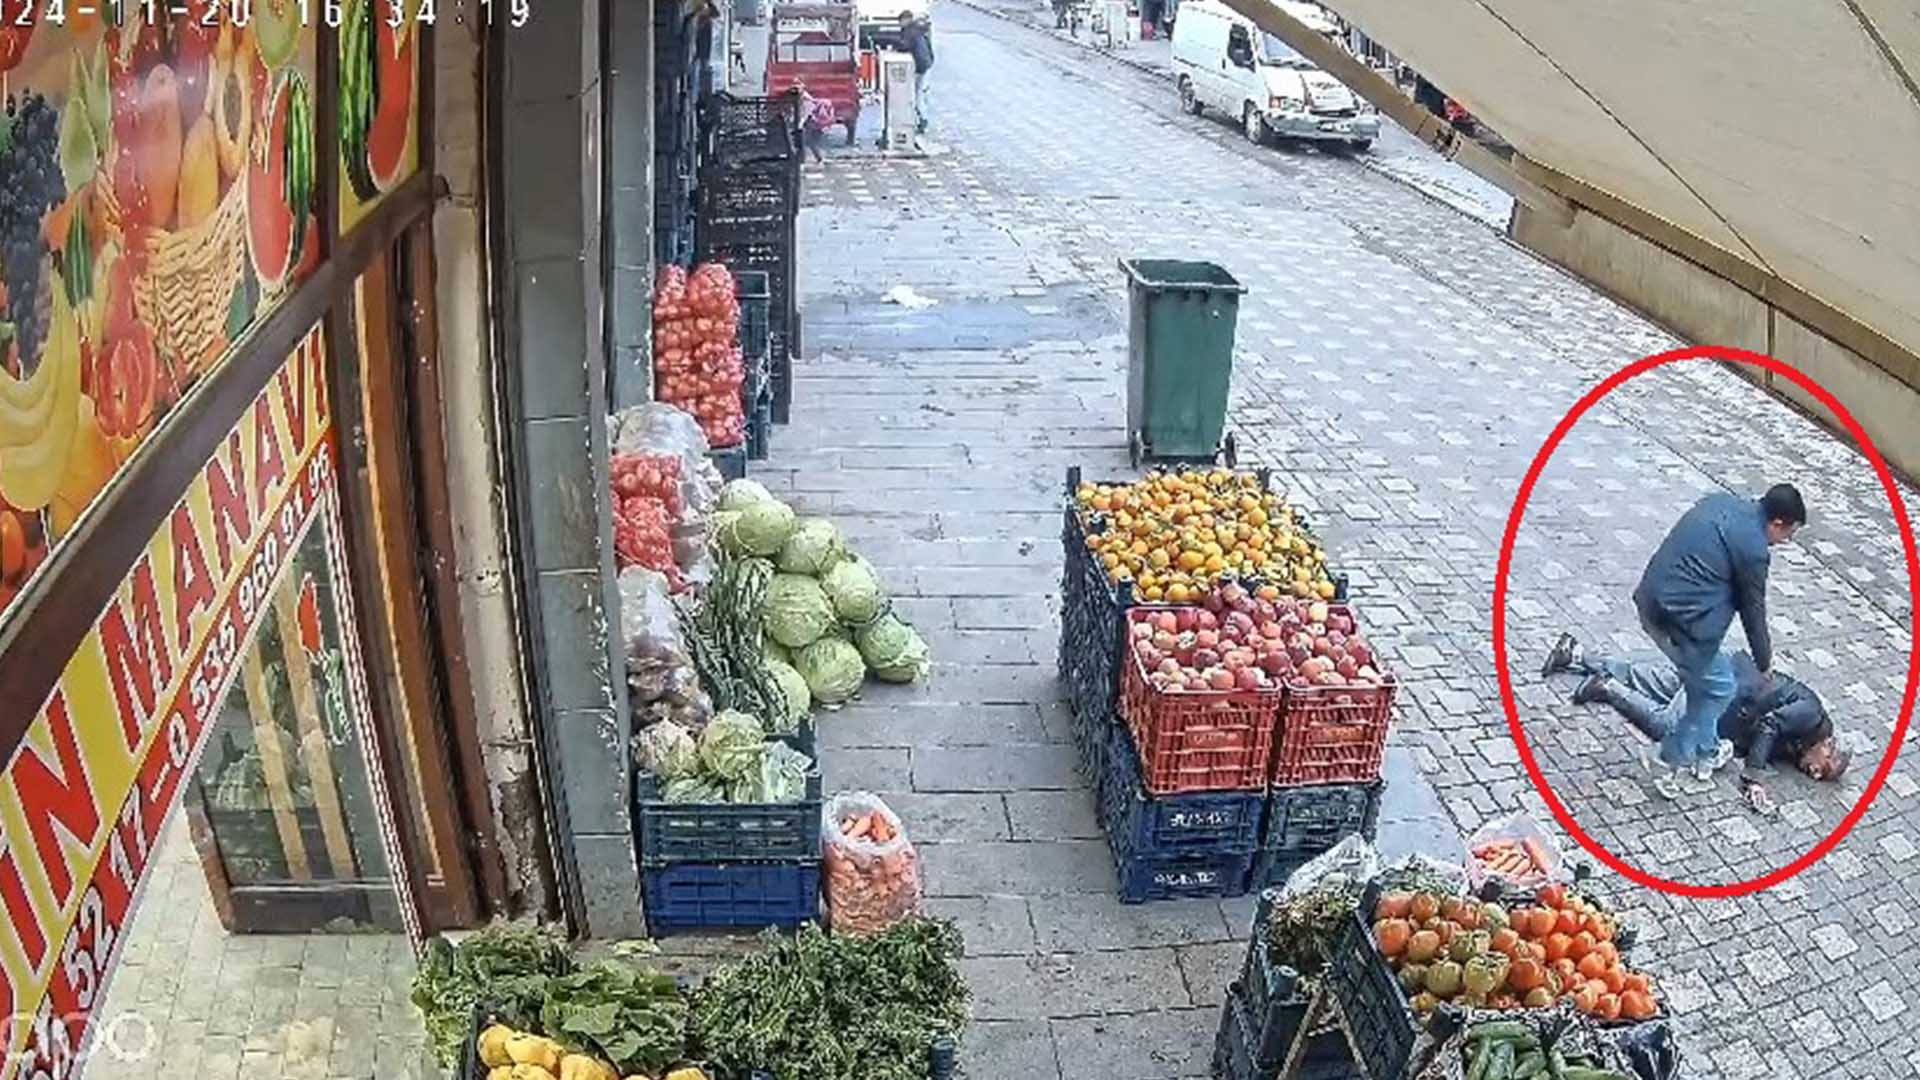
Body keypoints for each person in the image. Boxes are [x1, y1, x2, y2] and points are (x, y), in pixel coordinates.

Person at [1543, 634, 1851, 815]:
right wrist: (1753, 778)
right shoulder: (1812, 714)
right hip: (1725, 685)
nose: (1813, 773)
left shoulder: (1800, 744)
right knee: (1671, 730)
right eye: (1822, 768)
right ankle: (1605, 687)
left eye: (1818, 777)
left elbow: (1759, 735)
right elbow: (1769, 725)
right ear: (1827, 746)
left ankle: (1575, 653)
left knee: (1647, 679)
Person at [1631, 484, 1806, 798]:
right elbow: (1754, 610)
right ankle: (1666, 758)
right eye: (1788, 535)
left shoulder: (1720, 501)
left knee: (1706, 684)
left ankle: (1708, 751)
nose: (1785, 542)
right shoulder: (1754, 550)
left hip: (1650, 598)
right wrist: (1764, 662)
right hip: (1682, 621)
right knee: (1719, 689)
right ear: (1777, 523)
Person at [898, 11, 934, 135]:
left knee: (916, 94)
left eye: (901, 21)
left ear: (906, 19)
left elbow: (904, 46)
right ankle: (921, 118)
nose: (900, 24)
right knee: (920, 93)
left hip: (920, 66)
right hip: (925, 64)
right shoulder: (919, 29)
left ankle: (922, 120)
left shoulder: (910, 31)